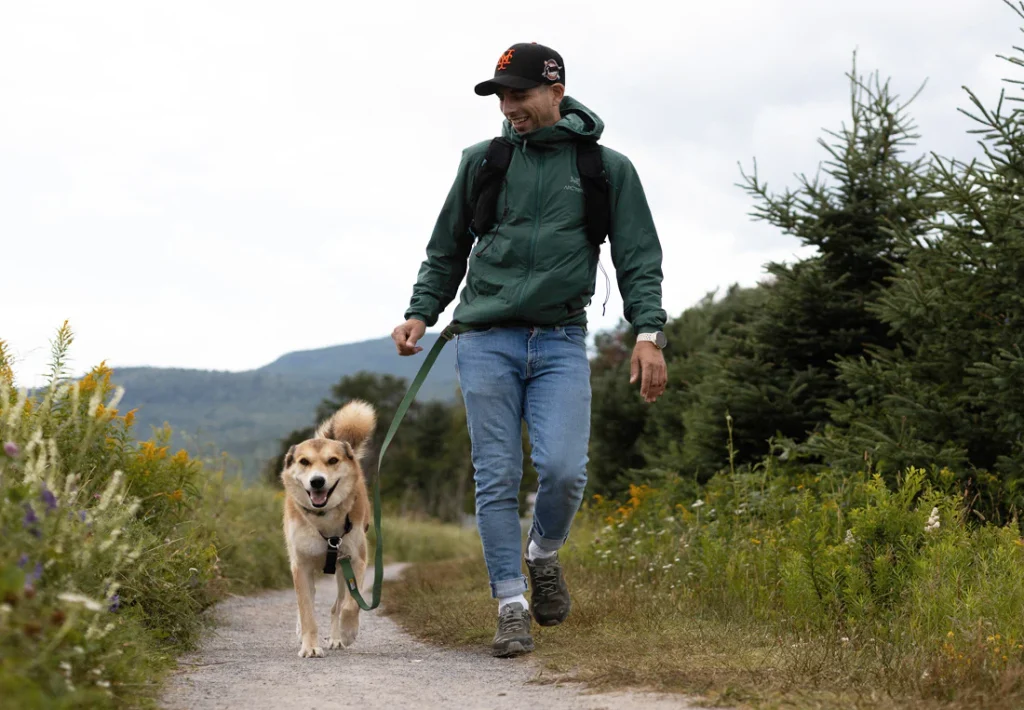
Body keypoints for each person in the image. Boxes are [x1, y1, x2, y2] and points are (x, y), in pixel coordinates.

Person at [391, 42, 668, 657]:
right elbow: (446, 248)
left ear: (555, 93)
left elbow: (638, 257)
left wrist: (647, 333)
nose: (510, 106)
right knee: (496, 475)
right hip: (485, 338)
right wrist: (420, 311)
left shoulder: (605, 169)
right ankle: (511, 603)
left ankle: (542, 555)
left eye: (520, 94)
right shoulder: (482, 161)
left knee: (566, 471)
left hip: (562, 339)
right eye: (502, 96)